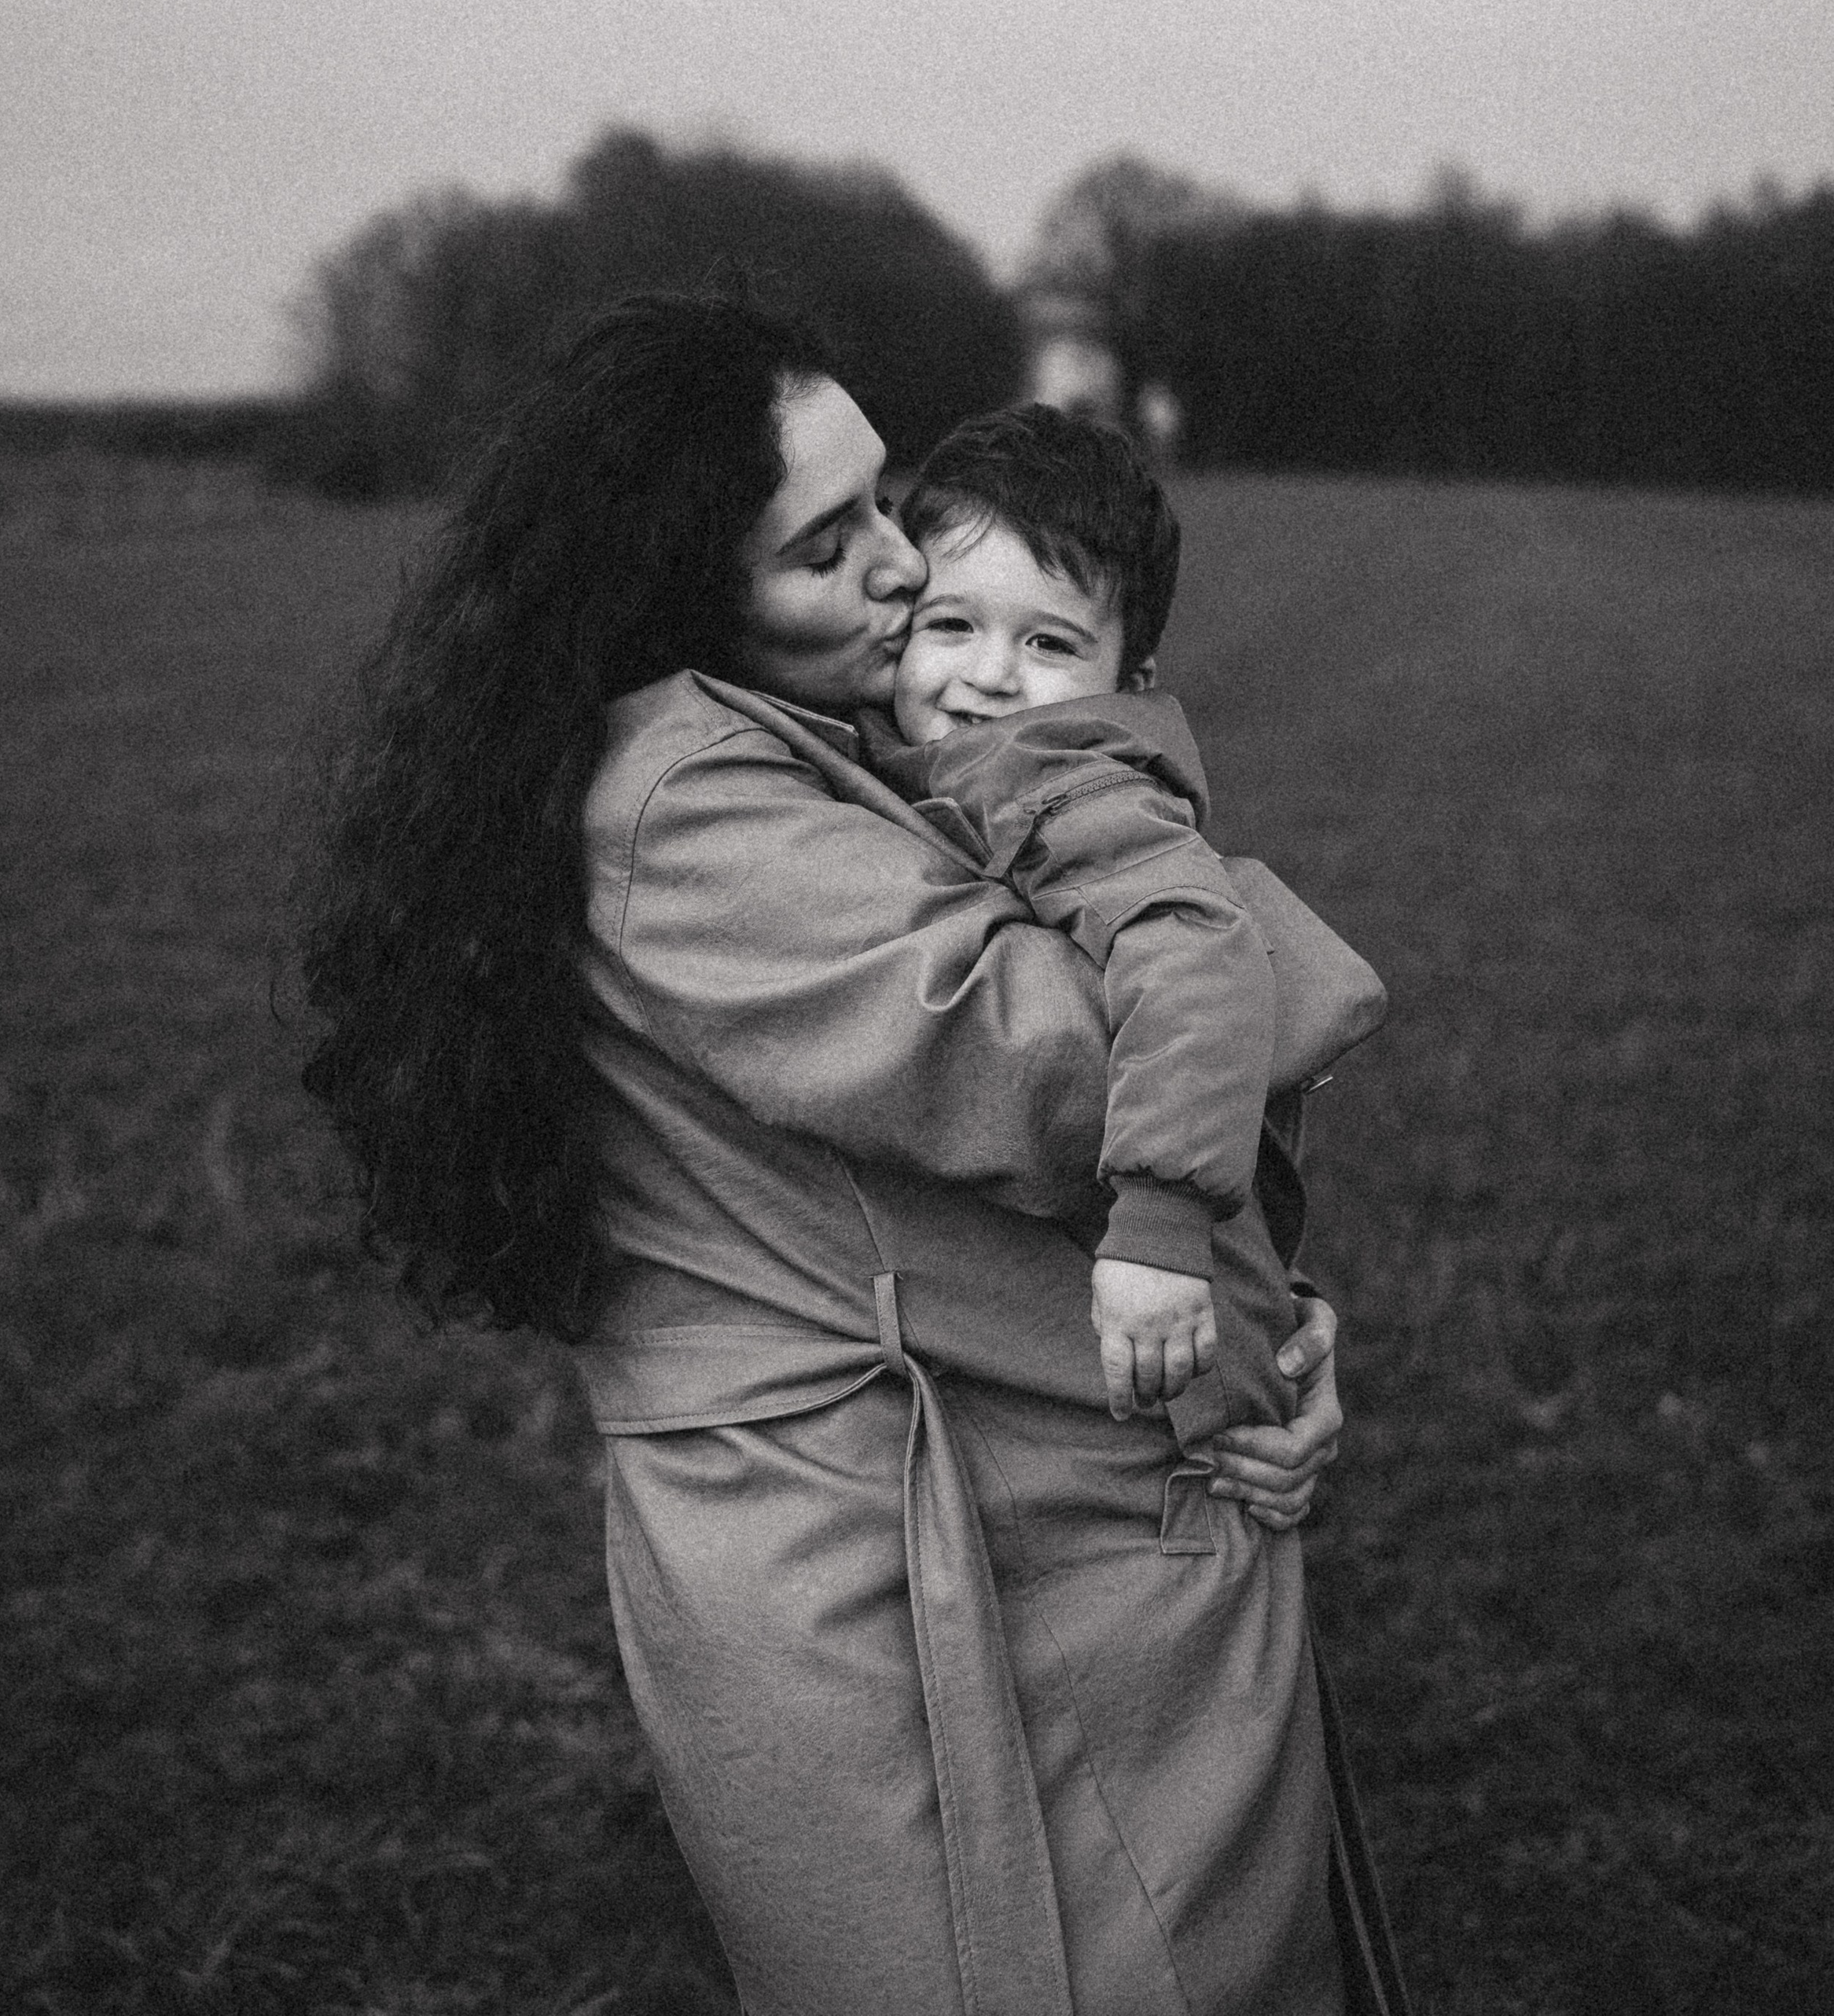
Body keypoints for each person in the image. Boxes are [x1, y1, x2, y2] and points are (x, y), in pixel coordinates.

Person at [300, 291, 1410, 2016]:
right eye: (831, 546)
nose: (899, 569)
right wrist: (1245, 953)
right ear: (676, 588)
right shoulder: (688, 807)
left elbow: (931, 1176)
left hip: (1005, 1494)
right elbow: (1061, 1069)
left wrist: (1272, 1336)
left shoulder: (821, 743)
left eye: (883, 499)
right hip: (884, 1569)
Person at [867, 402, 1386, 1434]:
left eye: (1049, 641)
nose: (989, 675)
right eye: (952, 624)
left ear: (1129, 683)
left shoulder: (1061, 780)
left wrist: (1159, 1221)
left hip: (1153, 1292)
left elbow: (1194, 955)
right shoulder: (949, 756)